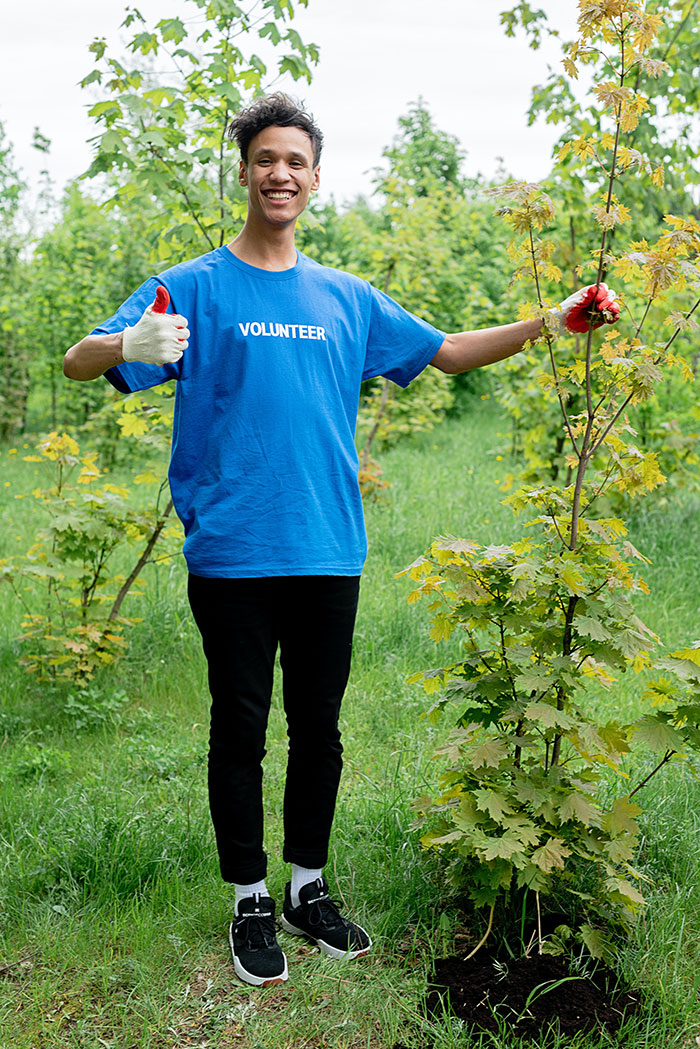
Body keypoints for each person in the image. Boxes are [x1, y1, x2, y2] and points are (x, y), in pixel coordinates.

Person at [63, 93, 619, 988]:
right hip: (234, 553)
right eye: (265, 158)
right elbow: (79, 358)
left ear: (315, 179)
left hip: (329, 549)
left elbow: (445, 351)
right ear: (243, 171)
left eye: (296, 161)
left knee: (319, 731)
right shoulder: (192, 286)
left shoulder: (346, 297)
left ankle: (307, 888)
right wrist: (130, 337)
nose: (280, 173)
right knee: (239, 729)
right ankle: (248, 896)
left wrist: (553, 322)